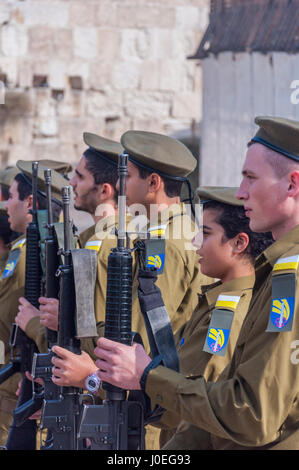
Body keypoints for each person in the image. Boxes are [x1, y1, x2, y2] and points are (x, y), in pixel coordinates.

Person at [94, 116, 299, 450]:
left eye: (250, 178)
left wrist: (147, 377)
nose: (241, 192)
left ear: (292, 185)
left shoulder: (289, 276)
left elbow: (252, 414)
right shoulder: (276, 270)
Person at [48, 130, 213, 449]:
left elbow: (137, 341)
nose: (121, 186)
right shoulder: (173, 233)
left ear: (153, 184)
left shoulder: (165, 244)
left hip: (147, 415)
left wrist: (89, 376)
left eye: (130, 176)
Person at [156, 185, 273, 448]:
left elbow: (182, 406)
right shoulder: (216, 300)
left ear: (239, 243)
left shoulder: (226, 316)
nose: (195, 242)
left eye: (206, 233)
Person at [0, 160, 68, 447]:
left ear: (29, 202)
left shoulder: (33, 252)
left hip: (20, 386)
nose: (6, 206)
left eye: (11, 197)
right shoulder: (26, 249)